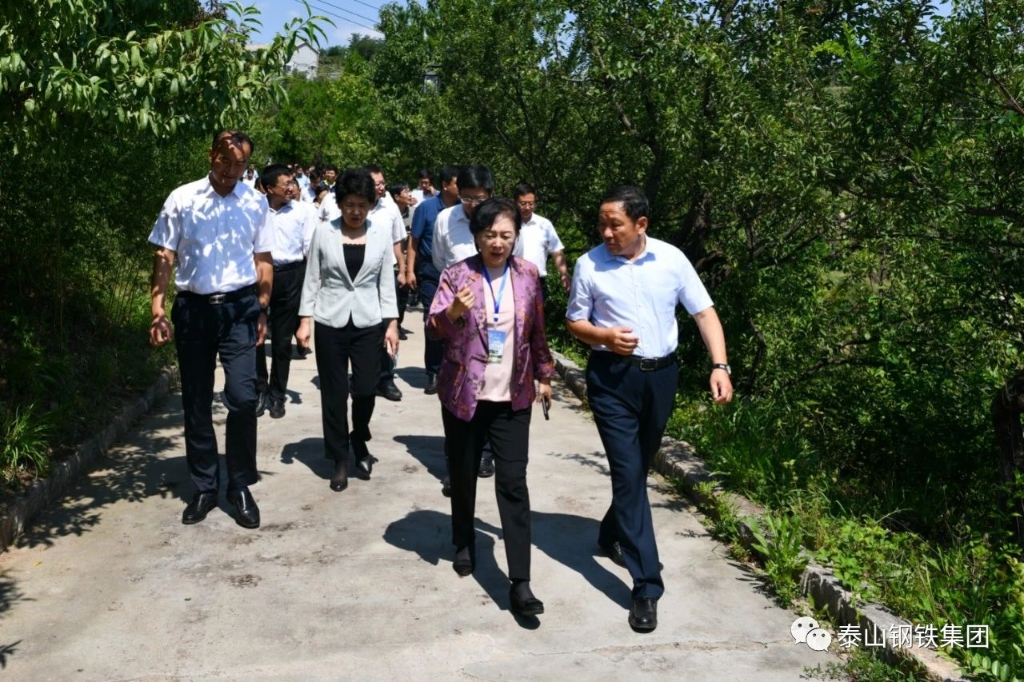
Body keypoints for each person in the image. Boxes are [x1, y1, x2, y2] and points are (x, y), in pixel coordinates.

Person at [566, 185, 734, 633]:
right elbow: (574, 321)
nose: (606, 232)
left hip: (661, 378)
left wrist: (720, 365)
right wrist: (602, 338)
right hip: (612, 381)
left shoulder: (672, 259)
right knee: (626, 471)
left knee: (637, 468)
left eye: (614, 224)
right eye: (601, 223)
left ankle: (610, 532)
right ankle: (646, 586)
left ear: (641, 224)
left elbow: (704, 313)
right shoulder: (589, 264)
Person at [426, 197, 554, 617]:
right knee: (463, 475)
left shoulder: (529, 275)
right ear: (477, 236)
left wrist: (545, 375)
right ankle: (463, 539)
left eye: (506, 235)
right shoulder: (456, 274)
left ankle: (520, 582)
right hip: (464, 395)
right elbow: (433, 330)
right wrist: (455, 312)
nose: (498, 243)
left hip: (513, 395)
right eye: (489, 235)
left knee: (513, 483)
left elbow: (537, 329)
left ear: (516, 236)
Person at [148, 130, 271, 529]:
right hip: (194, 311)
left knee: (241, 396)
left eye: (240, 164)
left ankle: (238, 484)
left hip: (239, 309)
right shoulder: (182, 199)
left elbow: (263, 257)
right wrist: (158, 309)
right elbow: (164, 254)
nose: (232, 171)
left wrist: (262, 308)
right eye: (225, 161)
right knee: (197, 401)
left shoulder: (254, 201)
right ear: (211, 155)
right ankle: (203, 485)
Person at [296, 169, 400, 492]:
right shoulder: (324, 233)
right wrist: (304, 320)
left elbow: (385, 282)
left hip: (369, 322)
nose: (356, 211)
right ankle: (340, 458)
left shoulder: (381, 233)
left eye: (363, 205)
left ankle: (359, 435)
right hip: (330, 321)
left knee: (367, 389)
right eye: (350, 204)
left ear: (371, 205)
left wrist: (392, 323)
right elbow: (312, 276)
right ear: (339, 203)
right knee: (334, 392)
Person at [254, 164, 317, 419]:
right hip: (257, 276)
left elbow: (310, 249)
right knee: (256, 339)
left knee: (281, 342)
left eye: (292, 182)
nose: (292, 187)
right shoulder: (255, 209)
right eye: (286, 184)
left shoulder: (303, 211)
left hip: (291, 276)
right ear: (269, 189)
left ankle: (277, 395)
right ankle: (259, 389)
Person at [407, 165, 460, 396]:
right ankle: (433, 372)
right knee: (434, 320)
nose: (462, 188)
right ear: (446, 184)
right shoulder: (426, 208)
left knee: (459, 322)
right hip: (431, 270)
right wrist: (409, 270)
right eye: (458, 183)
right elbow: (414, 242)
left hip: (459, 272)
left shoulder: (466, 211)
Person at [365, 165, 408, 403]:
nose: (381, 186)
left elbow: (397, 243)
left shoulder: (390, 208)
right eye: (376, 183)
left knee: (388, 325)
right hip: (360, 276)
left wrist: (402, 270)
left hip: (385, 275)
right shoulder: (356, 206)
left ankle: (386, 377)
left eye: (383, 182)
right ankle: (364, 376)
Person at [513, 183, 570, 292]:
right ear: (515, 203)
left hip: (537, 282)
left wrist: (564, 273)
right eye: (523, 203)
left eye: (531, 203)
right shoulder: (508, 223)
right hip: (512, 280)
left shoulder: (544, 224)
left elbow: (556, 251)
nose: (527, 207)